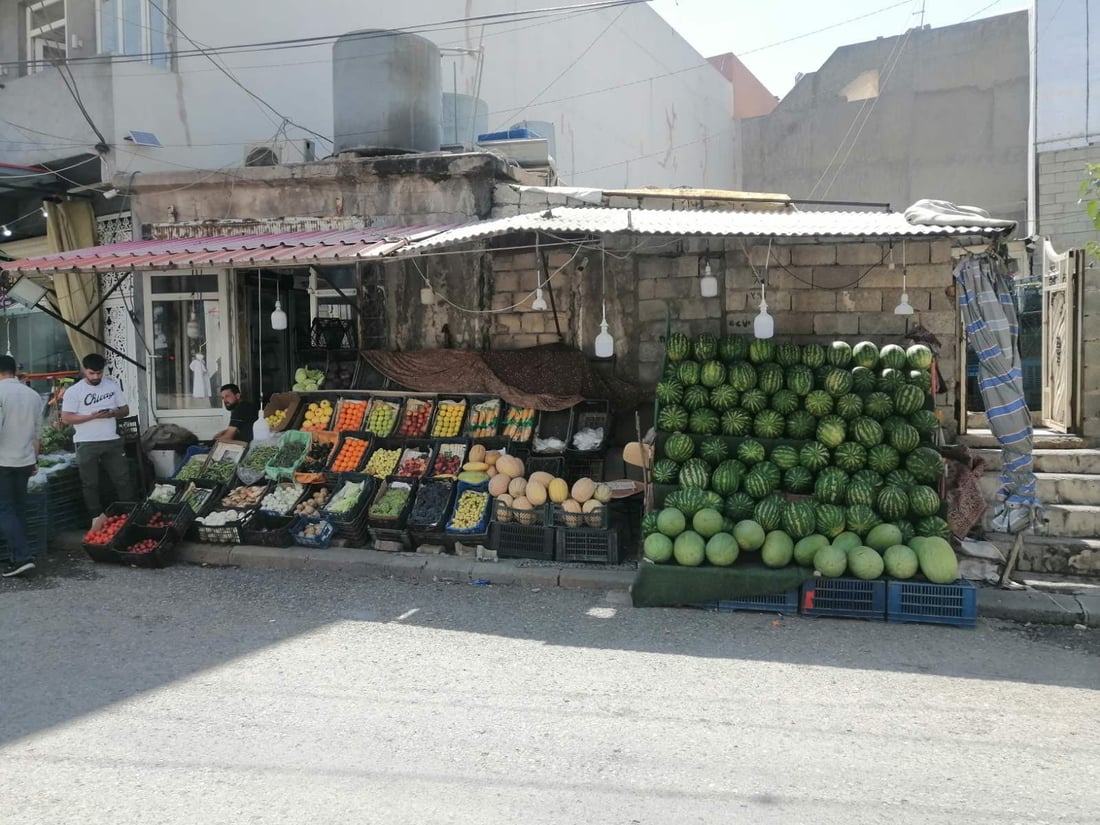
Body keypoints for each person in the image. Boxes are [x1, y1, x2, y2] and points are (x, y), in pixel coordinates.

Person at [60, 353, 134, 528]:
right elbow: (66, 418)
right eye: (92, 373)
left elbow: (125, 410)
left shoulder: (112, 386)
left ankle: (131, 513)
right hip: (86, 442)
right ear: (84, 370)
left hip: (111, 440)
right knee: (90, 482)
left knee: (123, 478)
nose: (96, 377)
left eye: (99, 373)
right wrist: (90, 417)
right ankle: (95, 516)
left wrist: (112, 413)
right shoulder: (74, 391)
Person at [0, 355, 45, 578]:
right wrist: (35, 460)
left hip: (3, 461)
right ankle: (19, 556)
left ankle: (22, 557)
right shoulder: (33, 395)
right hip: (25, 461)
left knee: (5, 509)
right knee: (18, 509)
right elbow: (37, 434)